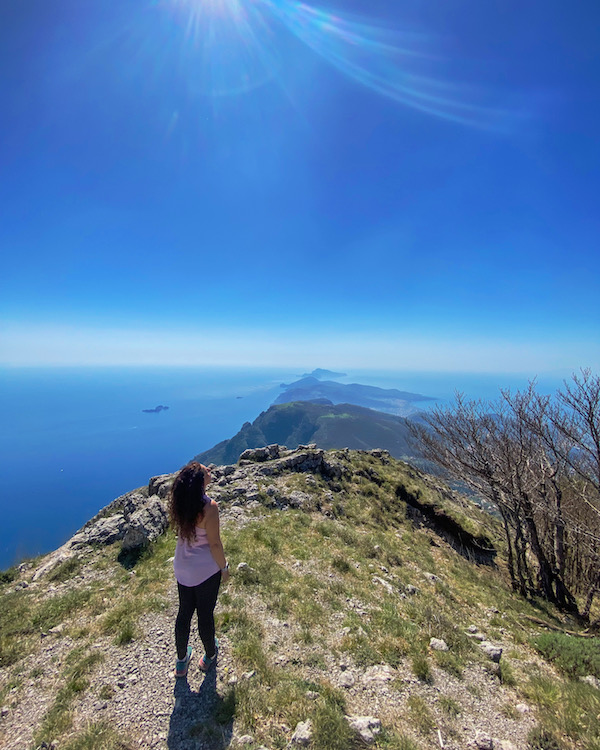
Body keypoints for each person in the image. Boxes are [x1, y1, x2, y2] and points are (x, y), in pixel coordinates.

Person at [168, 461, 230, 677]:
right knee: (205, 614)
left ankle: (181, 661)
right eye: (206, 470)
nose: (210, 470)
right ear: (201, 480)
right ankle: (210, 656)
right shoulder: (209, 508)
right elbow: (214, 544)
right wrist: (224, 567)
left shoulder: (182, 502)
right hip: (205, 572)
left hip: (182, 568)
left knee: (184, 613)